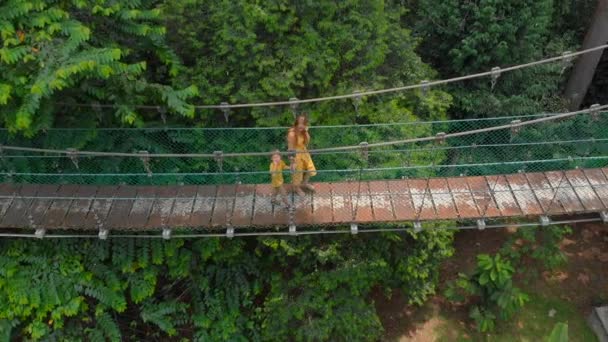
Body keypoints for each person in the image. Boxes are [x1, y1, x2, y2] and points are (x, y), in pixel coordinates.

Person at [287, 114, 316, 196]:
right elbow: (290, 149)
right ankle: (297, 188)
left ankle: (305, 183)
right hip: (296, 155)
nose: (301, 125)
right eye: (299, 123)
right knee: (297, 174)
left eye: (303, 124)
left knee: (310, 169)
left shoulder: (303, 132)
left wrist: (306, 131)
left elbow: (306, 143)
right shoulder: (292, 134)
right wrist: (292, 162)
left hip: (304, 152)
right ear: (296, 123)